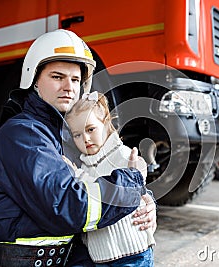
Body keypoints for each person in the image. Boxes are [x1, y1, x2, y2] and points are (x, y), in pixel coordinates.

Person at [0, 29, 156, 267]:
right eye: (57, 77)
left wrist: (144, 203)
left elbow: (97, 178)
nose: (69, 87)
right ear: (34, 81)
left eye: (75, 80)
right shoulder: (24, 135)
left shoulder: (59, 135)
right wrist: (132, 181)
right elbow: (71, 206)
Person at [64, 91, 155, 266]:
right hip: (100, 257)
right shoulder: (83, 165)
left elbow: (138, 173)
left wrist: (140, 176)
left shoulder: (121, 154)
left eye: (91, 129)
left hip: (133, 253)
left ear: (106, 123)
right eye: (77, 135)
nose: (86, 139)